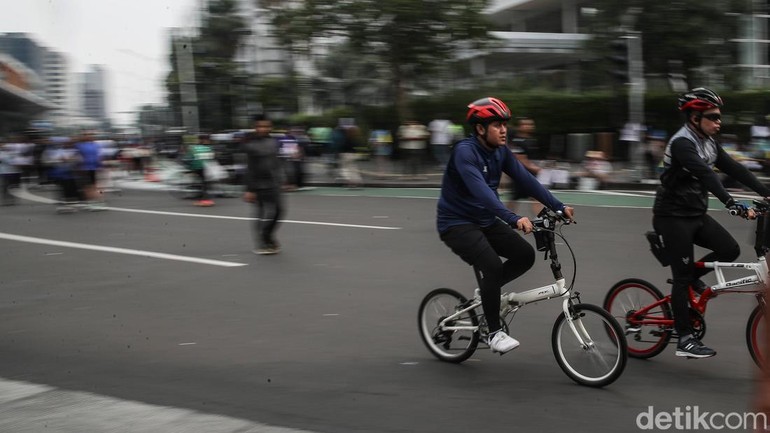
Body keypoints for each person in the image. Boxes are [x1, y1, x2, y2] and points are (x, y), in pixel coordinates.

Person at [437, 97, 574, 354]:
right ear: (480, 128)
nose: (503, 130)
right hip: (457, 224)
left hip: (485, 221)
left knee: (525, 255)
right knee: (490, 264)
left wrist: (558, 205)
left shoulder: (501, 152)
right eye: (497, 124)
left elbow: (526, 180)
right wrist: (512, 218)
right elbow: (481, 193)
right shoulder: (465, 153)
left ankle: (489, 288)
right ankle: (493, 333)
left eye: (505, 125)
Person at [653, 87, 770, 359]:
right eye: (713, 116)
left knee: (729, 250)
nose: (719, 122)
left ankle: (691, 279)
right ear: (695, 118)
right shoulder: (683, 143)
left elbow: (736, 169)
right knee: (681, 278)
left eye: (719, 117)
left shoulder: (709, 142)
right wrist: (731, 203)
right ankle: (684, 338)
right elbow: (706, 174)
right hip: (672, 217)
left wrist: (765, 192)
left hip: (695, 214)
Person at [242, 113, 284, 255]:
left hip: (273, 183)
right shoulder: (250, 144)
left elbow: (276, 163)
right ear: (255, 127)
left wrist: (283, 179)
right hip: (257, 185)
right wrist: (249, 189)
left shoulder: (274, 142)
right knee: (260, 213)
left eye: (266, 126)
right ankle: (261, 243)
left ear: (270, 127)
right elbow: (250, 168)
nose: (263, 129)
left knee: (279, 211)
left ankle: (267, 236)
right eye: (260, 126)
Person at [505, 116, 544, 212]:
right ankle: (508, 219)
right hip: (519, 174)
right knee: (514, 199)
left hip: (529, 174)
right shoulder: (517, 141)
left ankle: (539, 219)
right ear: (519, 127)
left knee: (535, 197)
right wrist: (535, 168)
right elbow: (520, 158)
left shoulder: (531, 140)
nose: (528, 126)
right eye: (525, 124)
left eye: (530, 124)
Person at [182, 134, 216, 207]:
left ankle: (205, 200)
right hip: (208, 167)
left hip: (198, 167)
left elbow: (188, 158)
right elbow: (213, 157)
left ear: (200, 140)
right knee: (205, 183)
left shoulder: (193, 148)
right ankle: (204, 198)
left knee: (203, 183)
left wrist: (189, 167)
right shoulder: (210, 148)